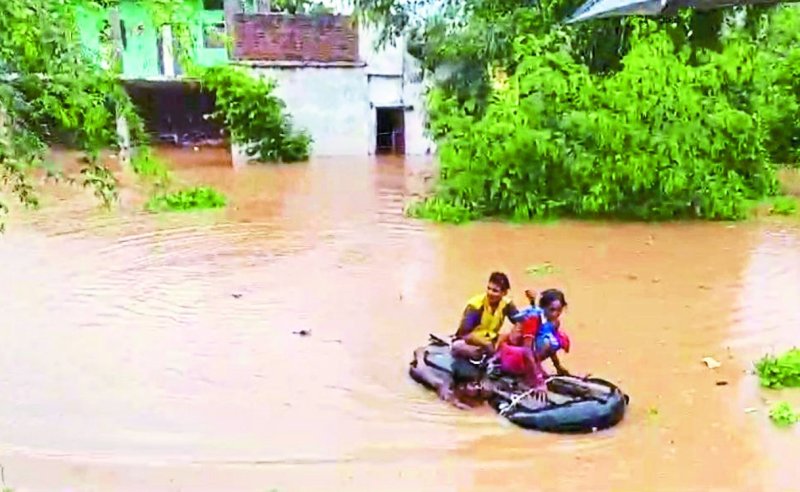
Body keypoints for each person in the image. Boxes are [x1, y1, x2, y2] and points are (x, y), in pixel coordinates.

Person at [451, 271, 520, 364]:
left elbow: (520, 322)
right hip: (473, 343)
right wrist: (485, 344)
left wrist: (513, 334)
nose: (490, 293)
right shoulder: (475, 306)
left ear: (504, 293)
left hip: (492, 340)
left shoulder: (507, 304)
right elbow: (464, 334)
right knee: (458, 346)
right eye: (489, 289)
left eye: (495, 291)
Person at [493, 323, 548, 396]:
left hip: (519, 371)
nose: (518, 335)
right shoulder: (504, 339)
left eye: (521, 332)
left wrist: (540, 377)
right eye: (517, 331)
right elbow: (495, 355)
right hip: (505, 369)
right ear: (512, 329)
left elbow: (534, 362)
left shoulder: (525, 345)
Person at [534, 288, 573, 377]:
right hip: (524, 354)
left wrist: (557, 366)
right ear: (543, 308)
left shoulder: (555, 323)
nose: (555, 314)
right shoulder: (536, 320)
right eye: (552, 310)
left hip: (536, 352)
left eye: (559, 310)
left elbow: (552, 349)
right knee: (547, 342)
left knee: (558, 339)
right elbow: (526, 346)